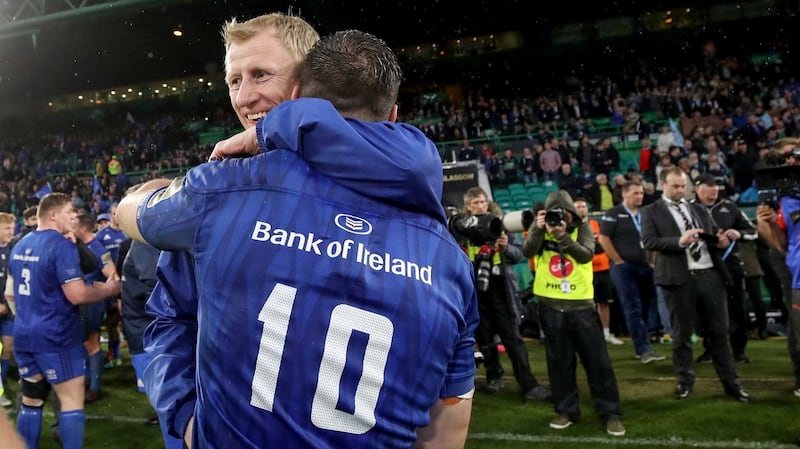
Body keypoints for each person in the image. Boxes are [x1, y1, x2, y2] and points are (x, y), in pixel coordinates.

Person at [117, 29, 478, 449]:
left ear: (300, 90)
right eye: (234, 80)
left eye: (261, 75)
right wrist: (184, 419)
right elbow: (171, 319)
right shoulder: (446, 255)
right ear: (393, 115)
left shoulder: (222, 194)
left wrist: (188, 426)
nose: (244, 96)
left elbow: (133, 220)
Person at [7, 192, 120, 449]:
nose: (75, 216)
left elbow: (10, 293)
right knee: (71, 402)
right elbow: (77, 293)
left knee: (31, 400)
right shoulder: (61, 246)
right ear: (53, 214)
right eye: (70, 211)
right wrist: (108, 290)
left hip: (24, 335)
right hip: (56, 335)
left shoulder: (20, 244)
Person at [640, 166, 749, 402]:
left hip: (710, 274)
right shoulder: (651, 211)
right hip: (679, 278)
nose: (680, 190)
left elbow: (712, 238)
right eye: (675, 186)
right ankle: (685, 381)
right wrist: (680, 240)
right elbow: (649, 241)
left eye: (683, 186)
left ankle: (732, 384)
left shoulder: (698, 208)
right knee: (682, 335)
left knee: (720, 333)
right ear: (662, 185)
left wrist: (720, 241)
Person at [522, 190, 625, 436]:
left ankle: (610, 412)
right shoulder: (540, 228)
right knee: (559, 363)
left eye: (563, 213)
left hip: (581, 306)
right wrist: (538, 228)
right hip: (550, 306)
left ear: (571, 213)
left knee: (598, 362)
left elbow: (586, 255)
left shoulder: (584, 228)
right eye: (554, 213)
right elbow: (528, 252)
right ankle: (566, 410)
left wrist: (563, 237)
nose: (559, 217)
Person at [457, 187, 551, 402]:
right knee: (485, 338)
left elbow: (520, 254)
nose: (480, 206)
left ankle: (529, 384)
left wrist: (507, 247)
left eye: (482, 202)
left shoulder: (502, 225)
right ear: (468, 208)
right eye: (475, 204)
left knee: (512, 338)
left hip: (501, 288)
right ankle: (493, 376)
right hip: (475, 291)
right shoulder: (463, 229)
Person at [119, 238, 183, 449]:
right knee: (173, 407)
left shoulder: (145, 243)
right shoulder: (145, 243)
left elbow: (158, 292)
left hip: (152, 336)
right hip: (151, 337)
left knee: (173, 407)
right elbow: (159, 295)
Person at [691, 174, 758, 364]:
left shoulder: (729, 207)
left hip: (730, 263)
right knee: (705, 310)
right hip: (703, 263)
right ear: (697, 189)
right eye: (707, 189)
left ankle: (738, 350)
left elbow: (752, 230)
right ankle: (710, 349)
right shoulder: (689, 209)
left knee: (737, 307)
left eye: (715, 190)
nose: (712, 194)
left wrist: (739, 233)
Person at [598, 181, 666, 363]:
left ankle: (643, 344)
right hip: (624, 268)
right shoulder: (613, 213)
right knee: (632, 307)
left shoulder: (646, 214)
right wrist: (618, 260)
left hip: (645, 266)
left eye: (641, 193)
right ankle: (643, 349)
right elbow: (604, 239)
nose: (640, 196)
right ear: (624, 194)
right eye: (636, 193)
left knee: (645, 306)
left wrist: (652, 261)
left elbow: (653, 238)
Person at [72, 214, 119, 402]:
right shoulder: (74, 246)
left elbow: (112, 274)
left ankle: (94, 387)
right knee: (81, 342)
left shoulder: (97, 248)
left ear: (82, 228)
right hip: (77, 302)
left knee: (91, 342)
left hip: (91, 303)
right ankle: (87, 381)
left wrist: (103, 289)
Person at [573, 198, 623, 345]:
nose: (581, 209)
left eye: (583, 206)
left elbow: (603, 244)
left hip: (603, 269)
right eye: (578, 207)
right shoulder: (573, 228)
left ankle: (606, 332)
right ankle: (590, 333)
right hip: (584, 270)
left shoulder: (597, 224)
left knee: (604, 302)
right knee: (587, 303)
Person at [95, 204, 127, 369]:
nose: (116, 216)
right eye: (114, 214)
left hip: (126, 284)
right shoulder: (101, 236)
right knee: (108, 322)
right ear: (110, 215)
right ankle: (111, 354)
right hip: (108, 285)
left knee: (121, 321)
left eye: (118, 213)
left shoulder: (128, 232)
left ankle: (119, 352)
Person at [0, 212, 15, 407]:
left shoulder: (14, 249)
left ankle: (1, 386)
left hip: (9, 311)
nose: (11, 232)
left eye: (12, 228)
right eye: (6, 228)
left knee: (7, 350)